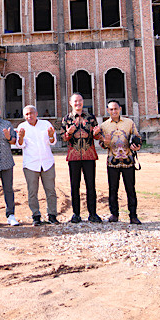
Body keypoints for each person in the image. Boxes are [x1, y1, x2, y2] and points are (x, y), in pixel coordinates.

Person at [97, 101, 142, 224]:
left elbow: (137, 137)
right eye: (111, 109)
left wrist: (137, 146)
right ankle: (114, 214)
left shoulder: (129, 123)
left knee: (130, 189)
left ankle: (133, 215)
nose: (113, 111)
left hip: (128, 161)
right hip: (113, 162)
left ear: (120, 109)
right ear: (107, 110)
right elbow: (102, 145)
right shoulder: (104, 126)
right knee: (113, 189)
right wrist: (105, 142)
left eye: (115, 109)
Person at [61, 93, 102, 223]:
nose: (77, 103)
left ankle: (93, 213)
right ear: (70, 103)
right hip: (73, 156)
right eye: (75, 101)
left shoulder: (91, 117)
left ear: (83, 102)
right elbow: (63, 138)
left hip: (89, 155)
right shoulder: (66, 119)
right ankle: (76, 214)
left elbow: (96, 136)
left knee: (91, 185)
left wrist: (96, 134)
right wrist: (69, 132)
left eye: (80, 101)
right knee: (75, 186)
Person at [17, 105, 58, 226]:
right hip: (31, 164)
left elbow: (53, 142)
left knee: (50, 190)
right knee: (32, 191)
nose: (29, 116)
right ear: (24, 116)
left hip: (47, 162)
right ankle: (36, 215)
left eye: (31, 113)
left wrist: (51, 135)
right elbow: (21, 145)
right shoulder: (22, 127)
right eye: (27, 114)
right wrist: (20, 137)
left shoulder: (46, 124)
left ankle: (52, 215)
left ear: (36, 113)